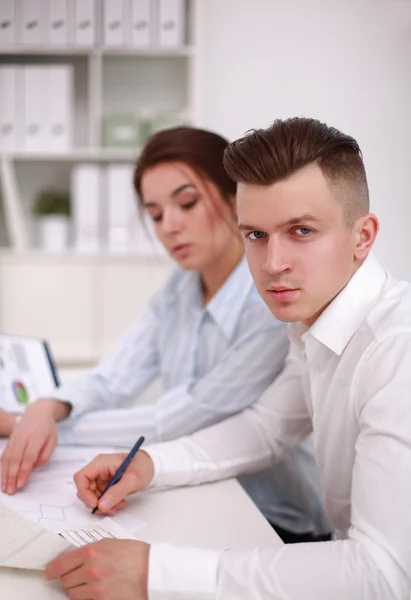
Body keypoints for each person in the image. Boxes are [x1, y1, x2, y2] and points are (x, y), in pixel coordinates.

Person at [44, 116, 411, 600]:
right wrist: (149, 464)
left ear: (363, 237)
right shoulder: (312, 324)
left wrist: (156, 573)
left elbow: (384, 574)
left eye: (301, 230)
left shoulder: (396, 350)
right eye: (255, 235)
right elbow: (266, 427)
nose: (272, 263)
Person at [0, 126, 330, 544]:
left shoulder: (271, 301)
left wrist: (25, 425)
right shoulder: (179, 289)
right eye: (155, 214)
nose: (169, 226)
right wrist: (50, 406)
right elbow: (113, 378)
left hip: (276, 519)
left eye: (187, 203)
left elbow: (185, 415)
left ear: (236, 198)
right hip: (197, 496)